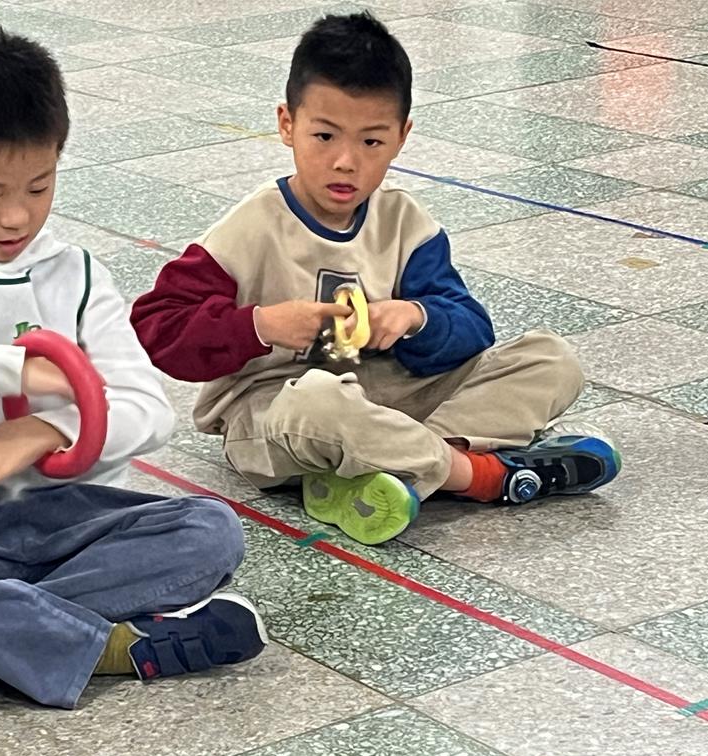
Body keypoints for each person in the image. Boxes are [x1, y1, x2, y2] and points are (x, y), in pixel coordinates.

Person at [0, 27, 266, 717]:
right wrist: (9, 370)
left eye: (39, 186)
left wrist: (48, 429)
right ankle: (109, 646)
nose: (17, 215)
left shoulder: (77, 275)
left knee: (211, 531)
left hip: (73, 520)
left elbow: (147, 409)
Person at [130, 11, 620, 546]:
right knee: (321, 401)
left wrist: (415, 317)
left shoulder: (404, 221)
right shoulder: (249, 228)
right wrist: (261, 325)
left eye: (371, 142)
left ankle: (392, 468)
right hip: (277, 411)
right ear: (287, 124)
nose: (345, 161)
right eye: (324, 136)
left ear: (402, 137)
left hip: (386, 394)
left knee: (550, 359)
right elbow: (158, 326)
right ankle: (477, 475)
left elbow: (473, 329)